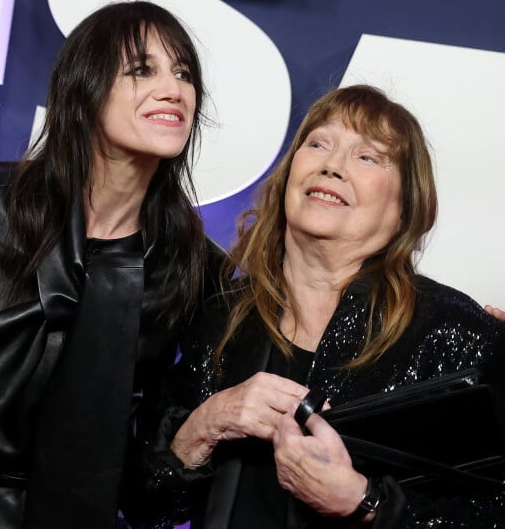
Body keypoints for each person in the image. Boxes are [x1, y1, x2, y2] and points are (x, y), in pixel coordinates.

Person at [146, 85, 505, 528]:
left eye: (368, 156)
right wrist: (205, 426)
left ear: (406, 207)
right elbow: (147, 507)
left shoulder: (454, 331)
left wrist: (367, 503)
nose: (332, 166)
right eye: (318, 144)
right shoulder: (221, 315)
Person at [0, 0, 224, 529]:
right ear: (84, 89)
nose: (173, 89)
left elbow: (147, 452)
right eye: (141, 70)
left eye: (183, 73)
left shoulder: (190, 264)